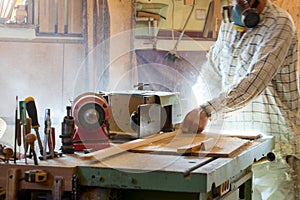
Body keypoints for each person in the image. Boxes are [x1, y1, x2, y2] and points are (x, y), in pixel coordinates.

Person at [181, 0, 300, 199]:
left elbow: (255, 81)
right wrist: (197, 106)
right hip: (238, 153)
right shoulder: (229, 23)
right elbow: (212, 72)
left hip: (276, 155)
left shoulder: (279, 23)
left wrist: (207, 111)